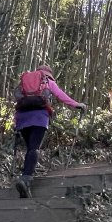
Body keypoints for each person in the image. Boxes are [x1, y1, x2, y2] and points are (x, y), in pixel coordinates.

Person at [14, 65, 86, 198]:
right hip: (39, 117)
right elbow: (61, 96)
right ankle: (26, 179)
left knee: (30, 148)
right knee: (34, 148)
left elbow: (17, 97)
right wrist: (77, 104)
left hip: (22, 117)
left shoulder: (25, 80)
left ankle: (25, 180)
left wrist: (16, 122)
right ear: (49, 73)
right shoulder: (47, 81)